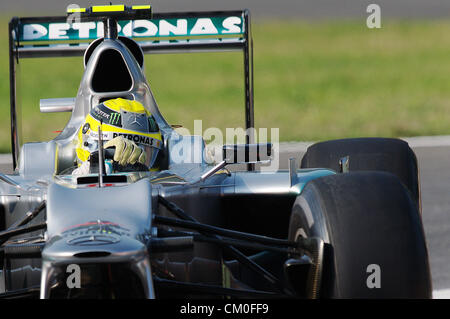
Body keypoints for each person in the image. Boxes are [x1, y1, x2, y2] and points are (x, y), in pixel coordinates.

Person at [73, 98, 162, 175]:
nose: (127, 164)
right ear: (89, 145)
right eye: (113, 150)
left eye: (140, 148)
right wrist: (92, 166)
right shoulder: (74, 179)